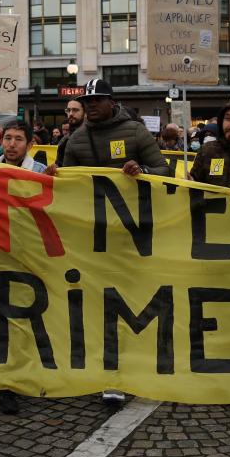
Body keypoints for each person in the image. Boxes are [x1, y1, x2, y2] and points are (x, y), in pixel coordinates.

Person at [58, 79, 168, 407]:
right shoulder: (76, 139)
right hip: (96, 235)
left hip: (135, 233)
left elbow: (164, 169)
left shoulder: (135, 132)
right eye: (87, 100)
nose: (91, 105)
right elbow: (69, 186)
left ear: (111, 101)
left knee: (136, 300)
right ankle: (111, 370)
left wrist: (143, 169)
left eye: (97, 100)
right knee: (102, 304)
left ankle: (142, 361)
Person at [0, 120, 49, 416]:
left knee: (25, 315)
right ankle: (7, 379)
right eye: (7, 138)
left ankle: (24, 373)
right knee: (2, 316)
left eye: (18, 139)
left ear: (30, 144)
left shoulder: (40, 173)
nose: (11, 144)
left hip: (30, 253)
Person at [52, 98, 85, 166]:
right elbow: (60, 164)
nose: (70, 114)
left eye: (75, 110)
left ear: (85, 112)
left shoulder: (94, 134)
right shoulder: (64, 141)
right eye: (68, 110)